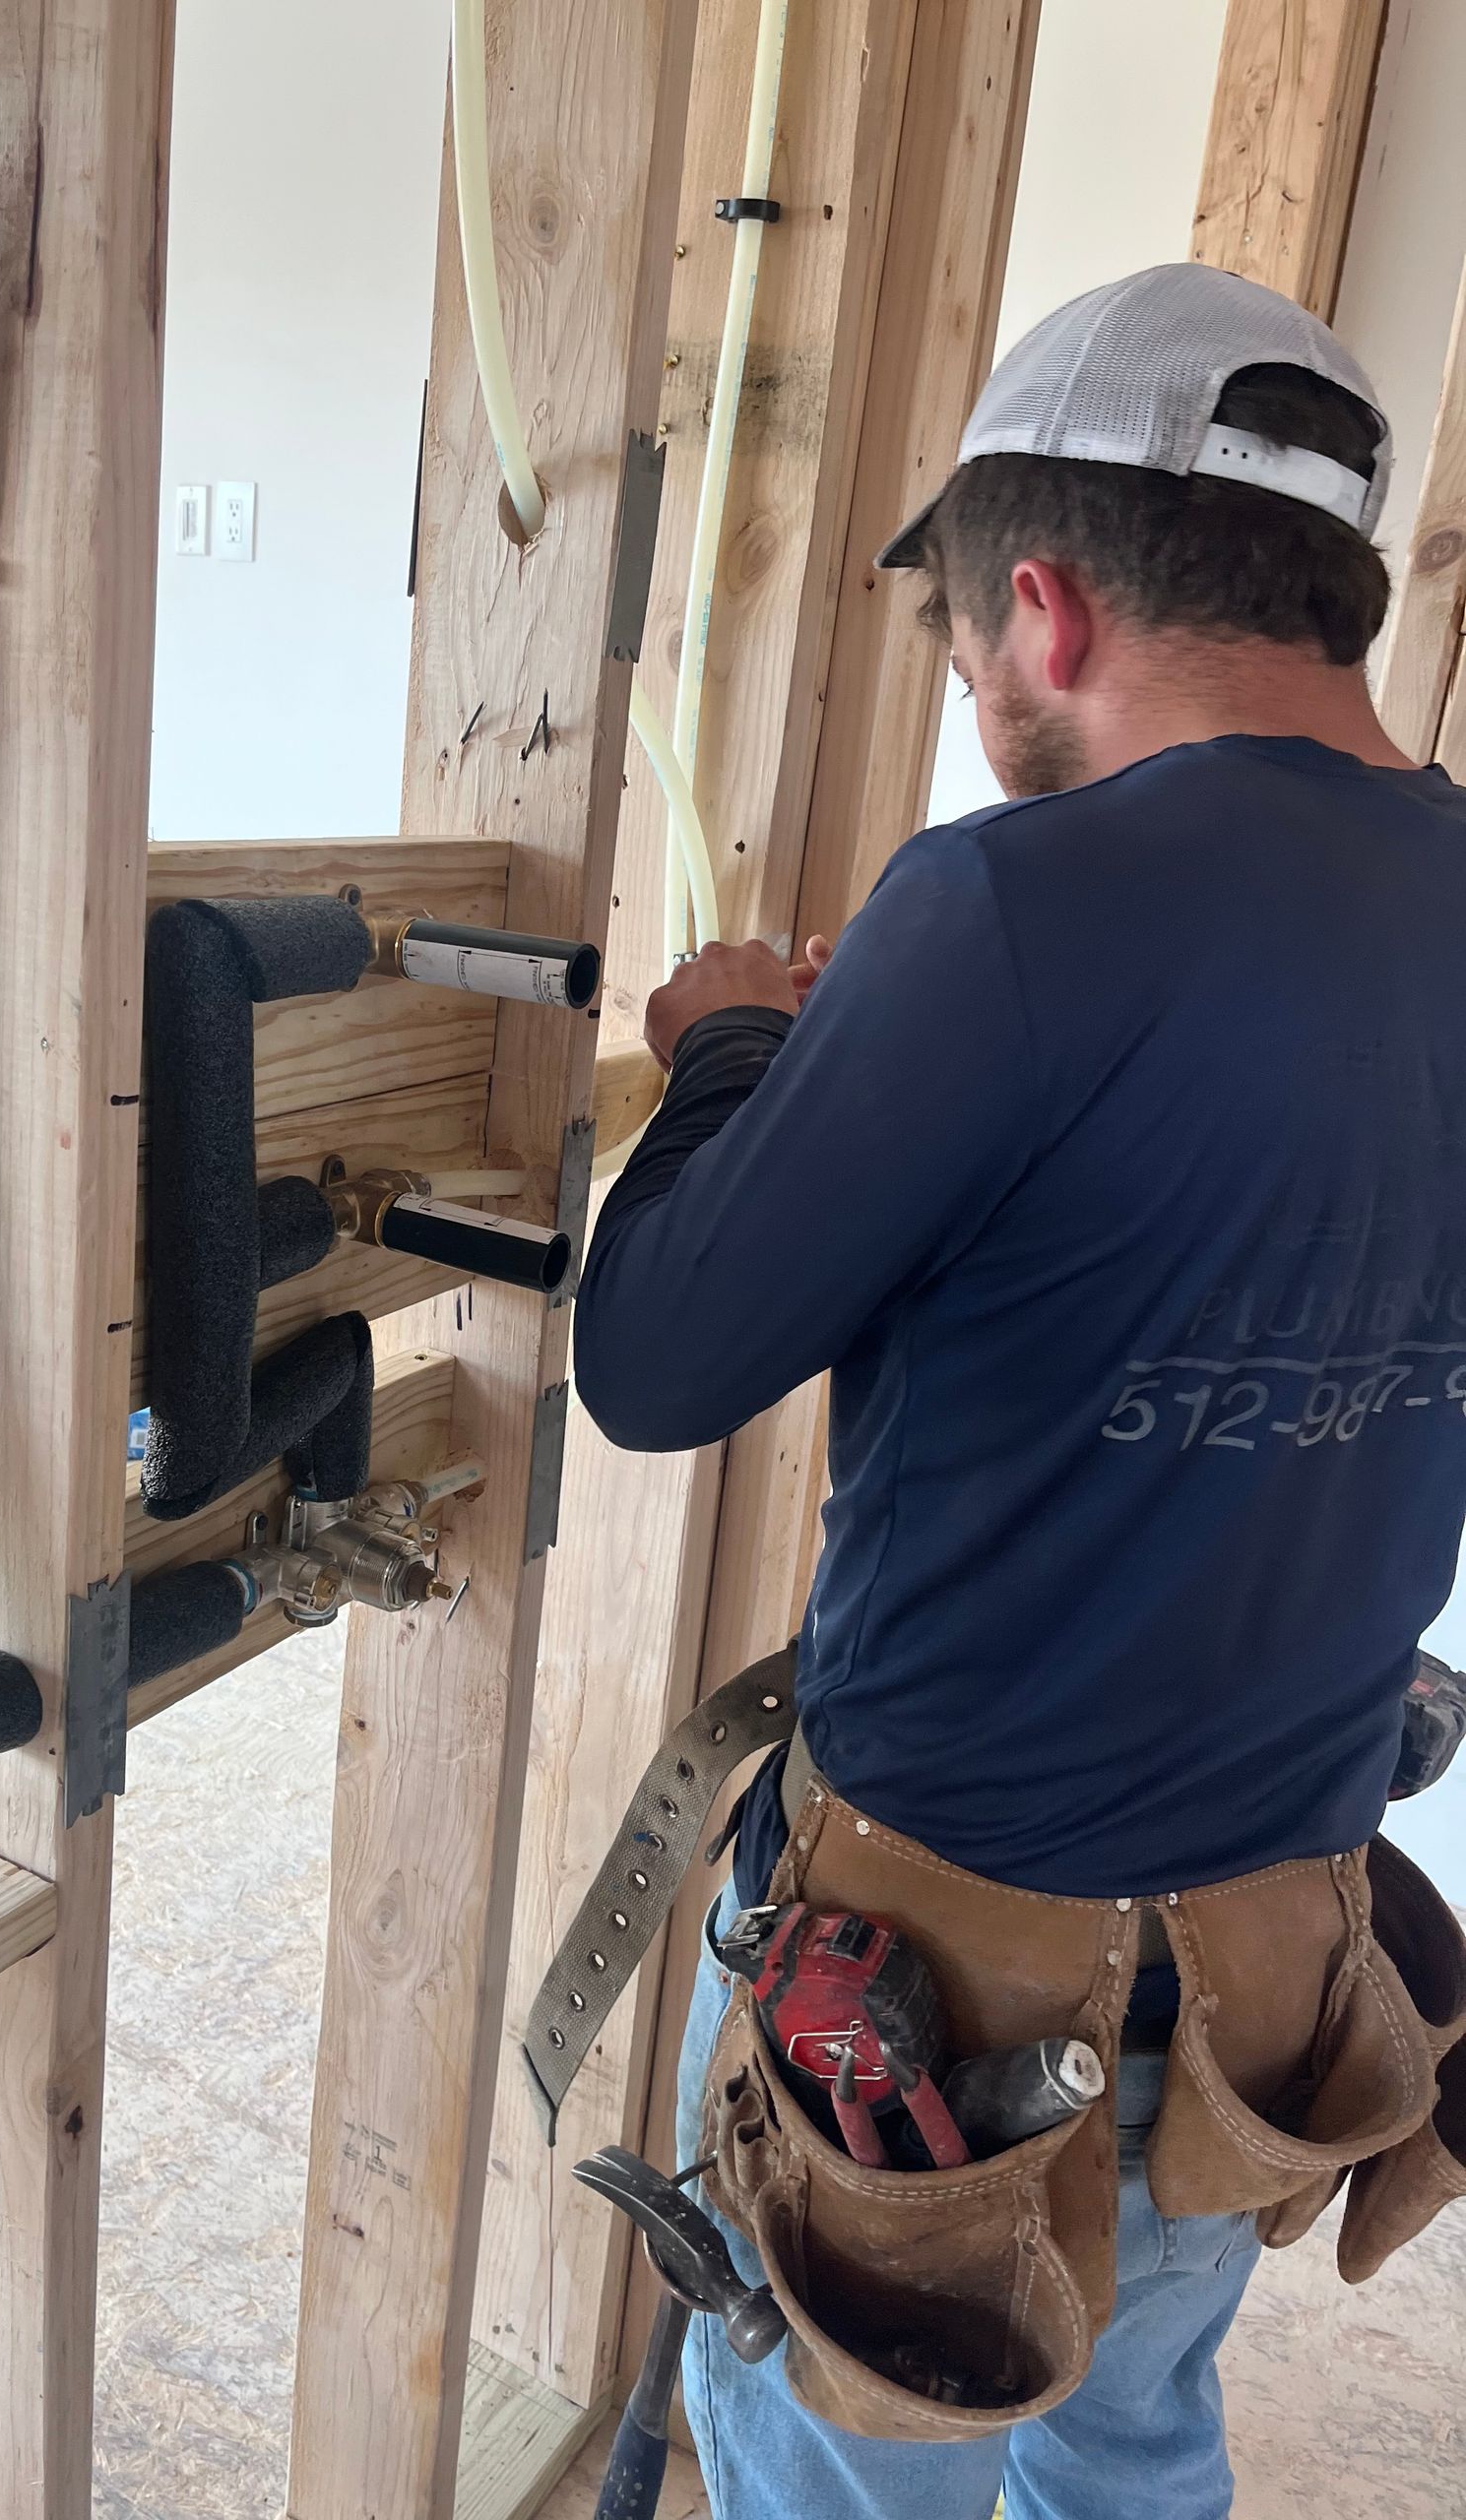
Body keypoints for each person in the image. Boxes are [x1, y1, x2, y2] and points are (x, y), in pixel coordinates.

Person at [572, 263, 1466, 2519]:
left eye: (969, 655)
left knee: (851, 2473)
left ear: (1047, 611)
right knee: (1134, 2434)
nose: (980, 701)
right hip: (1271, 1970)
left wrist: (736, 1052)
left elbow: (659, 1354)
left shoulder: (1003, 913)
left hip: (933, 2022)